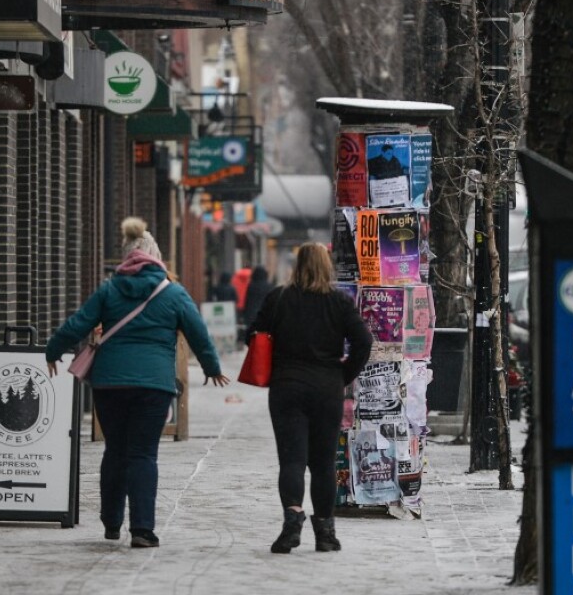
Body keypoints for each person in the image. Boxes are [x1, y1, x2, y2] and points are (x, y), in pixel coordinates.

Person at [46, 217, 231, 548]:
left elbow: (78, 323)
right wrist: (211, 366)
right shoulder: (173, 292)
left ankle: (112, 522)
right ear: (156, 257)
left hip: (110, 383)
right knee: (144, 454)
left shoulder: (109, 289)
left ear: (126, 258)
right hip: (154, 386)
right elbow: (198, 332)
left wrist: (53, 350)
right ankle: (143, 530)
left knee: (115, 449)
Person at [247, 242, 373, 554]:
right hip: (327, 388)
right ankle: (326, 534)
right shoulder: (339, 302)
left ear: (297, 265)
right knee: (323, 462)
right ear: (326, 266)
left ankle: (292, 522)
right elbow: (364, 340)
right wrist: (344, 374)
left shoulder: (278, 298)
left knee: (291, 459)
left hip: (287, 387)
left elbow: (252, 333)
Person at [241, 266, 271, 330]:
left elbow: (247, 300)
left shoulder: (251, 285)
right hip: (265, 315)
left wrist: (244, 312)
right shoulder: (269, 286)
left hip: (251, 314)